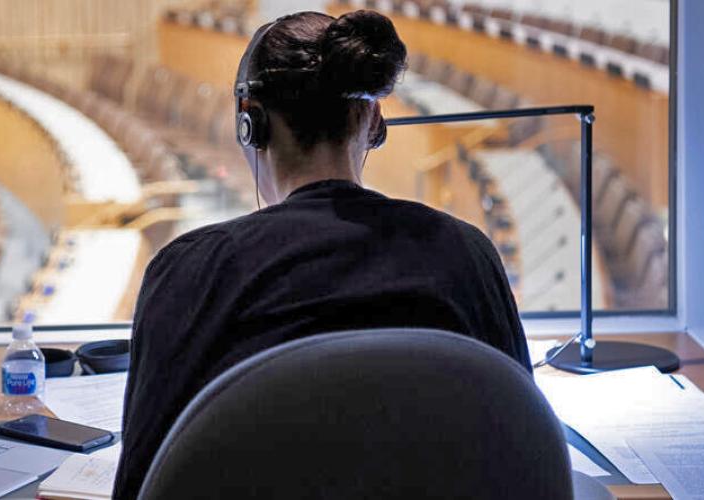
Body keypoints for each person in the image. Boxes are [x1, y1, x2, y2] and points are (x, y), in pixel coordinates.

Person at [113, 10, 529, 499]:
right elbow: (521, 442)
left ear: (251, 122)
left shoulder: (192, 270)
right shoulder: (465, 255)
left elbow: (143, 483)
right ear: (374, 121)